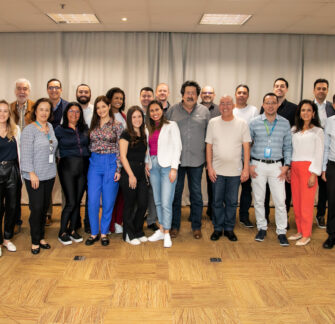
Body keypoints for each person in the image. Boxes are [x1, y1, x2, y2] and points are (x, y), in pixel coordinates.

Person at [166, 80, 210, 239]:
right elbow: (165, 134)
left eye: (193, 93)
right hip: (176, 161)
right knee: (175, 195)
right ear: (182, 94)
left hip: (197, 161)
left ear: (197, 95)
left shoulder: (205, 112)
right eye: (187, 93)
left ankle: (196, 226)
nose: (190, 96)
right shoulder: (172, 111)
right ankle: (174, 226)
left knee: (196, 194)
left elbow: (209, 137)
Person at [249, 93, 292, 246]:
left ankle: (281, 231)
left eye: (273, 102)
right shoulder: (254, 122)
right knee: (259, 200)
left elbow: (288, 146)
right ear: (263, 104)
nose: (271, 105)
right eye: (267, 102)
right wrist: (248, 164)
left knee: (280, 201)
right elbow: (246, 145)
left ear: (278, 104)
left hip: (277, 166)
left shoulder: (285, 123)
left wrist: (286, 166)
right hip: (257, 165)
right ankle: (262, 227)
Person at [206, 96, 251, 242]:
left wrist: (246, 169)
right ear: (219, 106)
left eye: (228, 104)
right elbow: (209, 146)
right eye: (223, 103)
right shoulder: (213, 123)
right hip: (217, 171)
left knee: (232, 202)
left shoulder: (242, 123)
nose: (225, 106)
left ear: (233, 106)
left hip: (235, 171)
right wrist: (209, 167)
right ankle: (218, 228)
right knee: (217, 201)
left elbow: (246, 147)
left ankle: (229, 229)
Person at [20, 98, 58, 254]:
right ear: (35, 111)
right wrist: (31, 173)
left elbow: (53, 148)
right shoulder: (29, 130)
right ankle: (35, 241)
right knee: (36, 208)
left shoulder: (49, 126)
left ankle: (41, 236)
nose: (44, 112)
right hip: (34, 176)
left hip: (49, 174)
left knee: (43, 208)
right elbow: (25, 155)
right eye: (41, 109)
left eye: (47, 110)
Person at [86, 95, 123, 247]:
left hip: (111, 163)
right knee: (93, 201)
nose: (100, 110)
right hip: (94, 163)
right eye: (98, 107)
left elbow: (120, 148)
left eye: (103, 106)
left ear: (109, 106)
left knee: (108, 201)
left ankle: (104, 233)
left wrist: (119, 168)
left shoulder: (117, 125)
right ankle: (94, 232)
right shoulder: (93, 124)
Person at [260, 78, 297, 225]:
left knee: (284, 192)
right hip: (265, 156)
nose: (279, 88)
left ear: (286, 89)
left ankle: (283, 219)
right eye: (276, 86)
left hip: (282, 157)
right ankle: (265, 217)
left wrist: (289, 163)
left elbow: (295, 134)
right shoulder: (265, 107)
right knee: (265, 191)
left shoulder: (294, 108)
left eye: (282, 86)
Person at [287, 100, 323, 246]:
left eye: (309, 110)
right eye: (303, 110)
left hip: (308, 169)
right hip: (295, 167)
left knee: (306, 203)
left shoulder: (318, 131)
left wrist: (314, 173)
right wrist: (289, 168)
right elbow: (291, 150)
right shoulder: (294, 130)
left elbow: (319, 153)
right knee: (296, 202)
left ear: (313, 113)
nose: (306, 113)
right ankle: (300, 230)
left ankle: (307, 234)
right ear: (299, 113)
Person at [146, 100, 182, 248]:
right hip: (153, 166)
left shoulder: (171, 125)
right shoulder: (146, 127)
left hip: (167, 167)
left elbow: (177, 147)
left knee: (166, 202)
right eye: (152, 110)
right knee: (158, 201)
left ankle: (167, 233)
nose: (155, 113)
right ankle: (161, 229)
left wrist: (174, 168)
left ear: (162, 110)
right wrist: (146, 163)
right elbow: (145, 147)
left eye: (157, 110)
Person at [55, 102, 90, 245]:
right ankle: (62, 231)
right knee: (70, 201)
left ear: (80, 115)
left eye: (77, 112)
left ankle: (73, 229)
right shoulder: (59, 130)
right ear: (66, 113)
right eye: (71, 111)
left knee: (78, 200)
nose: (74, 114)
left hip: (83, 168)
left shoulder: (85, 129)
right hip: (67, 168)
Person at [119, 106, 148, 245]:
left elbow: (145, 154)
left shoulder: (143, 133)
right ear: (130, 119)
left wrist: (147, 166)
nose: (137, 120)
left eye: (139, 117)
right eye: (134, 117)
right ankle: (128, 234)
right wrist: (131, 175)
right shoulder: (125, 134)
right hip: (129, 173)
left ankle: (137, 230)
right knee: (129, 205)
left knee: (143, 203)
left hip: (141, 173)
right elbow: (123, 157)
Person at [10, 78, 34, 234]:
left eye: (24, 89)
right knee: (14, 191)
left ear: (29, 91)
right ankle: (16, 220)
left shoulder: (35, 107)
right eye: (19, 88)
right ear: (15, 91)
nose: (22, 91)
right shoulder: (8, 108)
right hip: (13, 154)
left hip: (31, 153)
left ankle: (38, 218)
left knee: (35, 188)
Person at [233, 84, 259, 228]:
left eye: (244, 93)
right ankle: (229, 217)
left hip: (248, 156)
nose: (242, 95)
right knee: (231, 189)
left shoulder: (253, 110)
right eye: (239, 92)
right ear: (235, 94)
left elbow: (255, 133)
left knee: (247, 189)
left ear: (248, 95)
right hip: (232, 156)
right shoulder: (231, 109)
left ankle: (244, 216)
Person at [46, 78, 68, 225]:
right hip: (47, 151)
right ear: (47, 90)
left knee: (66, 183)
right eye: (51, 87)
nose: (54, 90)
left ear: (61, 89)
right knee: (47, 182)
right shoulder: (42, 106)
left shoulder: (68, 106)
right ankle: (47, 213)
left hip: (64, 150)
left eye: (56, 87)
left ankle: (67, 213)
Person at [313, 79, 335, 229]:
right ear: (314, 90)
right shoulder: (308, 106)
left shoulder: (331, 108)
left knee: (325, 186)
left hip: (327, 152)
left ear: (327, 91)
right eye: (318, 88)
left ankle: (321, 214)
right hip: (311, 150)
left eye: (324, 89)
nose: (321, 91)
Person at [0, 100, 21, 255]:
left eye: (5, 111)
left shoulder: (16, 130)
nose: (2, 114)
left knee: (12, 207)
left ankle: (7, 239)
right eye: (0, 110)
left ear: (9, 113)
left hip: (13, 170)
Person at [106, 87, 127, 235]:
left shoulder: (124, 116)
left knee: (121, 193)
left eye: (121, 98)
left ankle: (118, 221)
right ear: (110, 99)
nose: (119, 101)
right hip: (110, 160)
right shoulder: (105, 116)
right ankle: (110, 224)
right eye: (116, 98)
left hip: (124, 159)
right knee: (110, 194)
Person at [139, 87, 159, 232]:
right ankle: (138, 220)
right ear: (140, 97)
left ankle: (151, 220)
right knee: (139, 192)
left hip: (152, 162)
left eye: (149, 96)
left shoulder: (156, 118)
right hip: (137, 161)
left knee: (152, 192)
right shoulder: (136, 114)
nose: (146, 98)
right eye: (143, 96)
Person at [200, 85, 220, 221]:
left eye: (210, 93)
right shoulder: (194, 109)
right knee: (194, 185)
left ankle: (212, 211)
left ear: (214, 95)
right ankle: (195, 212)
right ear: (201, 95)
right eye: (205, 93)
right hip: (196, 150)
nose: (207, 95)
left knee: (213, 182)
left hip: (213, 152)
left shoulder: (220, 109)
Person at [76, 83, 93, 234]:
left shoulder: (95, 110)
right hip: (76, 159)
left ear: (90, 94)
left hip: (92, 158)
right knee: (76, 192)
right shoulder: (71, 110)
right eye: (80, 91)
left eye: (86, 92)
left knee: (91, 193)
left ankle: (88, 222)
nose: (83, 94)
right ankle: (74, 223)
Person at [321, 108, 335, 249]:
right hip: (333, 165)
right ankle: (332, 234)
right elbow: (326, 146)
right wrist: (324, 168)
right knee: (332, 201)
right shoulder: (330, 122)